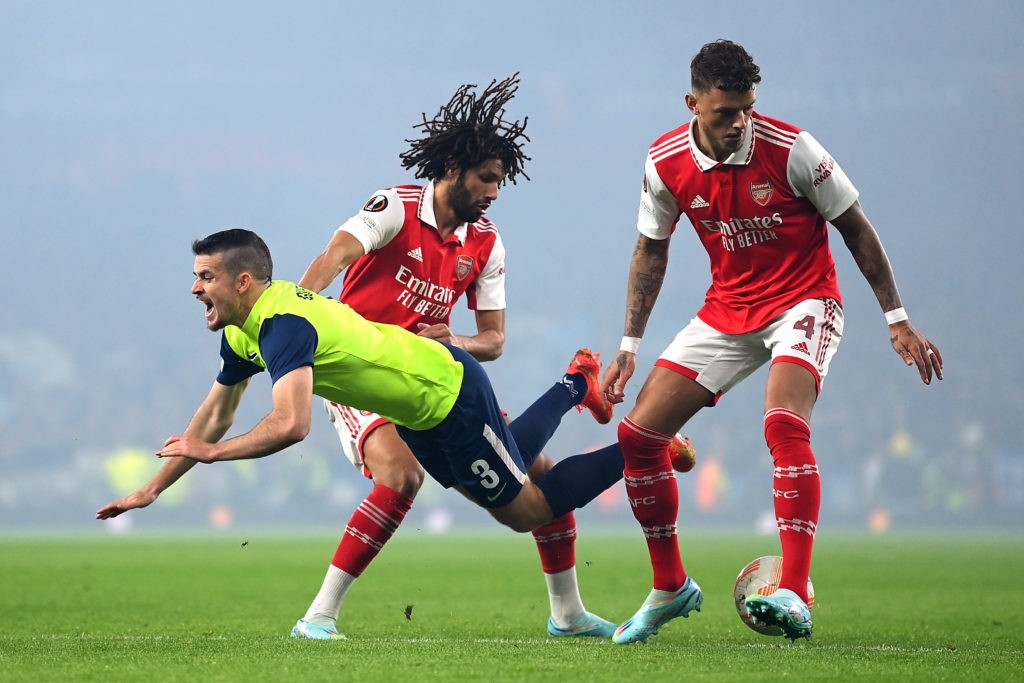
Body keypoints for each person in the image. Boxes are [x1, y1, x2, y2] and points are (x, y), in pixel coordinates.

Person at [96, 229, 628, 637]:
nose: (195, 287)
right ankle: (576, 383)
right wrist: (153, 488)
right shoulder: (244, 331)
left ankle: (638, 445)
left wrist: (211, 454)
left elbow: (292, 424)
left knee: (526, 511)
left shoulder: (283, 324)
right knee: (505, 475)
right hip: (418, 414)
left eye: (205, 277)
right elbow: (212, 417)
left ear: (243, 282)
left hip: (447, 391)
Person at [600, 39, 944, 644]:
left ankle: (796, 589)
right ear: (692, 104)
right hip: (727, 308)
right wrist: (630, 344)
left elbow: (856, 229)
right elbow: (651, 251)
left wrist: (897, 317)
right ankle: (670, 585)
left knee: (783, 423)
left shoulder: (793, 150)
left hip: (805, 299)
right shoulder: (663, 162)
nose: (739, 123)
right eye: (725, 112)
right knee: (638, 436)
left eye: (747, 109)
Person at [289, 74, 620, 640]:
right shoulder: (395, 206)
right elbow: (337, 253)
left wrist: (454, 342)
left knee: (532, 473)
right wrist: (299, 309)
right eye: (487, 179)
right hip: (358, 376)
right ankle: (318, 616)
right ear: (452, 170)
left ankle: (566, 613)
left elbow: (492, 341)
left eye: (500, 183)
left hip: (433, 380)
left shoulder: (486, 244)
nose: (494, 192)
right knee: (401, 475)